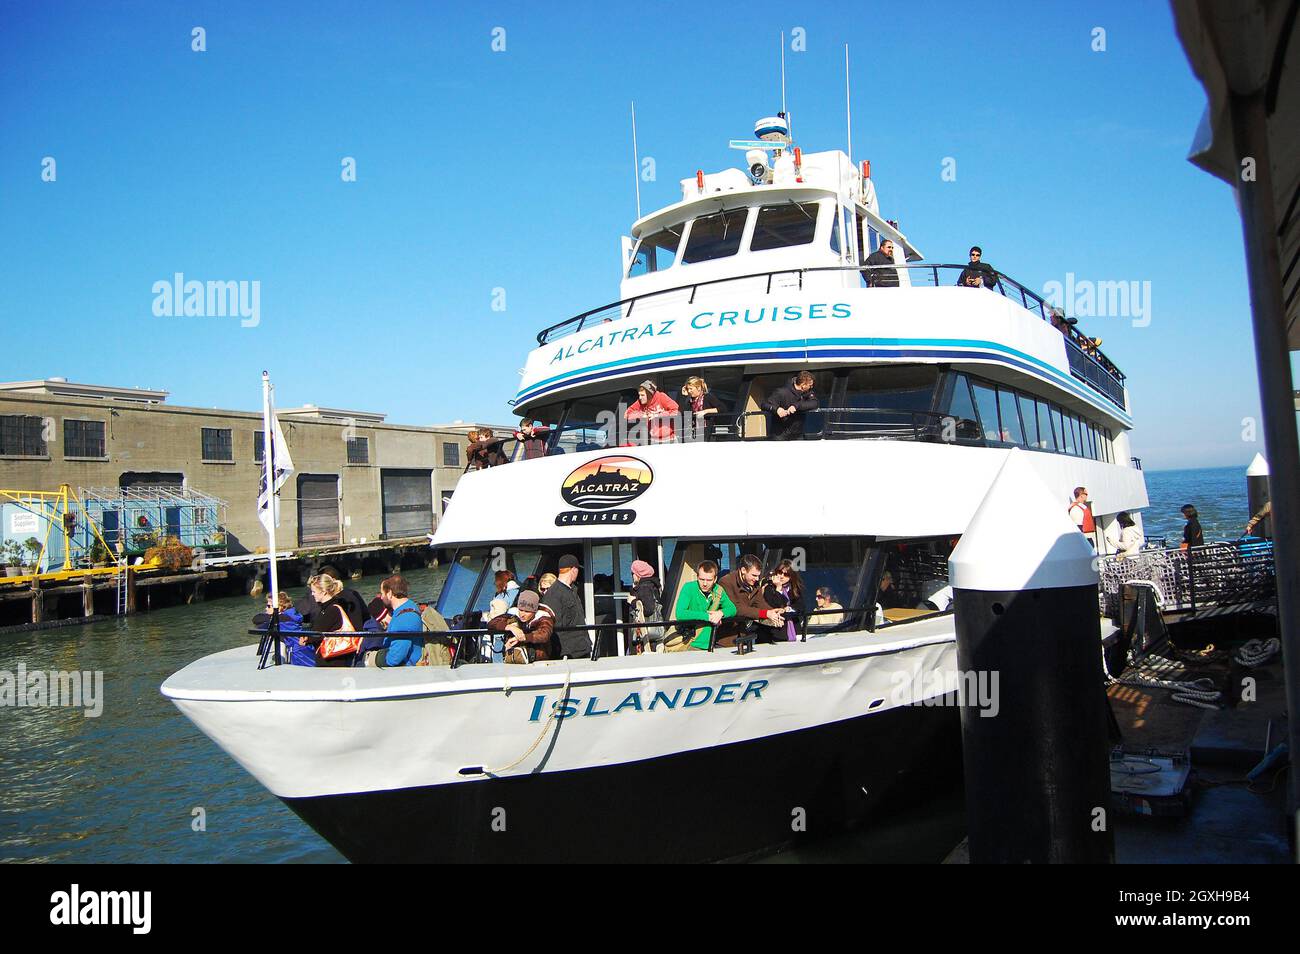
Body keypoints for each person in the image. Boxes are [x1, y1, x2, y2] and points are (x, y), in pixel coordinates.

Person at [717, 554, 788, 646]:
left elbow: (760, 603)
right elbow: (736, 608)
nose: (757, 579)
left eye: (758, 576)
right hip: (726, 638)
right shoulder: (726, 582)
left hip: (744, 636)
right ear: (743, 570)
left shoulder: (754, 584)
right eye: (754, 575)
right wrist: (766, 613)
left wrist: (773, 612)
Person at [669, 559, 737, 651]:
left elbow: (732, 609)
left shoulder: (719, 590)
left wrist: (720, 613)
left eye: (709, 580)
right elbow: (680, 614)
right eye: (702, 579)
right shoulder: (688, 588)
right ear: (697, 577)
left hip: (710, 644)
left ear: (715, 579)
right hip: (689, 643)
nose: (705, 583)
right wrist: (708, 617)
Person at [361, 575, 425, 667]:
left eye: (382, 593)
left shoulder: (404, 619)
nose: (381, 597)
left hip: (406, 669)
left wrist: (370, 659)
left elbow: (394, 658)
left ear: (390, 593)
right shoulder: (410, 607)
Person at [487, 589, 556, 663]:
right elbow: (492, 623)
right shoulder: (513, 614)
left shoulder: (544, 618)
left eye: (527, 611)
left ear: (535, 611)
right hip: (515, 658)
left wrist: (523, 637)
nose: (522, 614)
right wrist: (511, 627)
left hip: (538, 660)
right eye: (521, 610)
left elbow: (544, 634)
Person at [541, 554, 589, 658]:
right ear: (573, 570)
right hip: (568, 653)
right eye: (577, 570)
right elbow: (555, 626)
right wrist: (564, 653)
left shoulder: (572, 590)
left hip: (582, 648)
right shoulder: (553, 595)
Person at [761, 371, 820, 441]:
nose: (811, 387)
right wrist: (777, 409)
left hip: (798, 434)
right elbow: (764, 405)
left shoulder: (807, 393)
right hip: (780, 435)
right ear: (803, 385)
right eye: (810, 385)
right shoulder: (781, 392)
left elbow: (815, 403)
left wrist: (796, 406)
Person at [762, 560, 807, 642]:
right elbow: (775, 606)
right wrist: (778, 589)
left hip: (795, 628)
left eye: (786, 574)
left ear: (791, 576)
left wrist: (790, 608)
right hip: (777, 631)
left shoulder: (794, 588)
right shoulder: (769, 588)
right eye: (780, 572)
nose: (782, 576)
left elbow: (801, 606)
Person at [626, 559, 664, 651]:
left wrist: (632, 601)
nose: (632, 576)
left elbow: (648, 609)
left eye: (633, 573)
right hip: (652, 635)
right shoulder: (652, 585)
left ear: (638, 574)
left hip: (645, 635)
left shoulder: (644, 587)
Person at [625, 379, 680, 444]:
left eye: (642, 395)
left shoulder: (661, 397)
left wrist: (657, 415)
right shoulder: (640, 402)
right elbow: (627, 414)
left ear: (650, 394)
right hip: (654, 440)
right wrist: (642, 415)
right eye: (639, 395)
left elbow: (675, 410)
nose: (640, 398)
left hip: (669, 439)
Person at [681, 376, 724, 441]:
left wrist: (705, 411)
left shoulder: (708, 397)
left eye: (691, 389)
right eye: (688, 389)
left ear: (698, 388)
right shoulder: (690, 400)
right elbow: (683, 413)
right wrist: (684, 396)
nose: (689, 391)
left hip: (707, 434)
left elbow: (722, 408)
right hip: (694, 434)